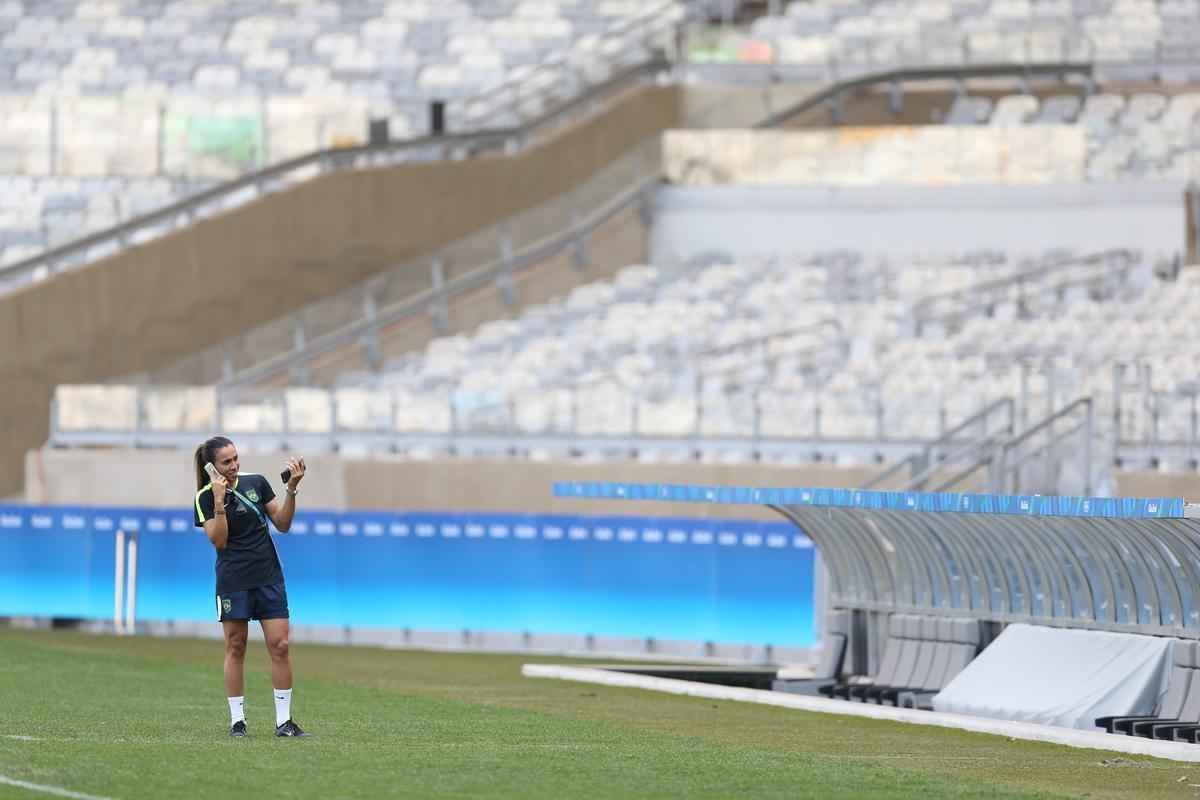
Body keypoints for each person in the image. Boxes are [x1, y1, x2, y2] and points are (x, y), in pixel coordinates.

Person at [192, 435, 309, 738]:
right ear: (211, 467)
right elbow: (219, 540)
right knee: (236, 646)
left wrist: (291, 489)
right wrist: (219, 500)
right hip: (233, 580)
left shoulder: (256, 482)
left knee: (280, 646)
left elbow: (282, 523)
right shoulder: (205, 497)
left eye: (235, 458)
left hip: (268, 577)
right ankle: (237, 721)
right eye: (226, 461)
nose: (234, 465)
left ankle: (284, 722)